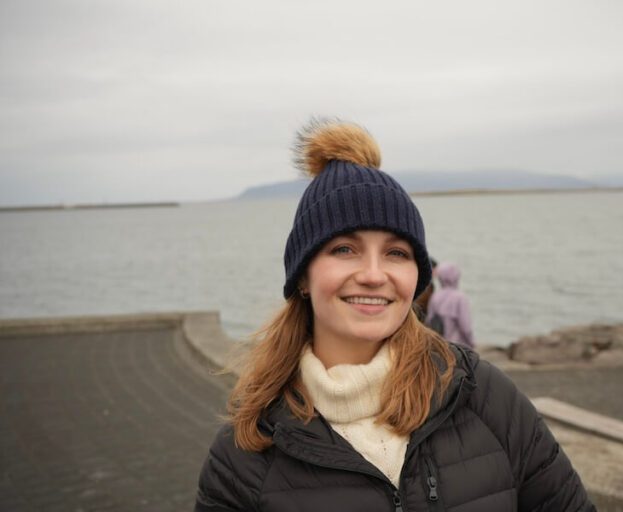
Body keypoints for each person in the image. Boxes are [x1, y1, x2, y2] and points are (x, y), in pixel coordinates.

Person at [194, 119, 594, 511]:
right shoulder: (246, 450)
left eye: (396, 253)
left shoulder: (483, 397)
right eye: (344, 249)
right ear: (302, 276)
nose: (373, 275)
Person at [425, 262, 475, 348]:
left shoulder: (435, 296)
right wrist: (471, 342)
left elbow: (429, 321)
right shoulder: (460, 298)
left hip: (440, 345)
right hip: (459, 347)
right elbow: (465, 327)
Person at [413, 256, 438, 322]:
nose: (436, 273)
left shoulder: (417, 280)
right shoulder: (428, 285)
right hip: (420, 316)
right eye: (435, 270)